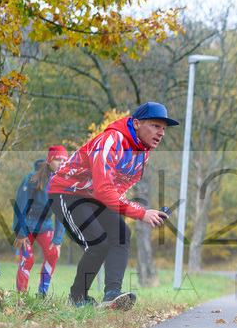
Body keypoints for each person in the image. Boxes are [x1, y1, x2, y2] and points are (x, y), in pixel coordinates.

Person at [48, 102, 174, 309]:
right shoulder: (110, 140)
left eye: (163, 129)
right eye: (155, 126)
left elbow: (119, 187)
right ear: (136, 123)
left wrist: (129, 211)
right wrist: (141, 213)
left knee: (122, 234)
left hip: (96, 197)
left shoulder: (143, 152)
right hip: (67, 192)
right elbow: (104, 190)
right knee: (98, 243)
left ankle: (112, 294)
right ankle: (77, 298)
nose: (161, 133)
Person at [12, 146, 68, 297]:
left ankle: (42, 294)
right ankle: (20, 297)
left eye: (64, 160)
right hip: (27, 225)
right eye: (58, 160)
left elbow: (62, 214)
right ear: (49, 160)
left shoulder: (64, 183)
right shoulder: (32, 179)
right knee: (28, 259)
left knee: (52, 253)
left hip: (45, 225)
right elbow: (19, 207)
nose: (61, 163)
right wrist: (21, 233)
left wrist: (57, 240)